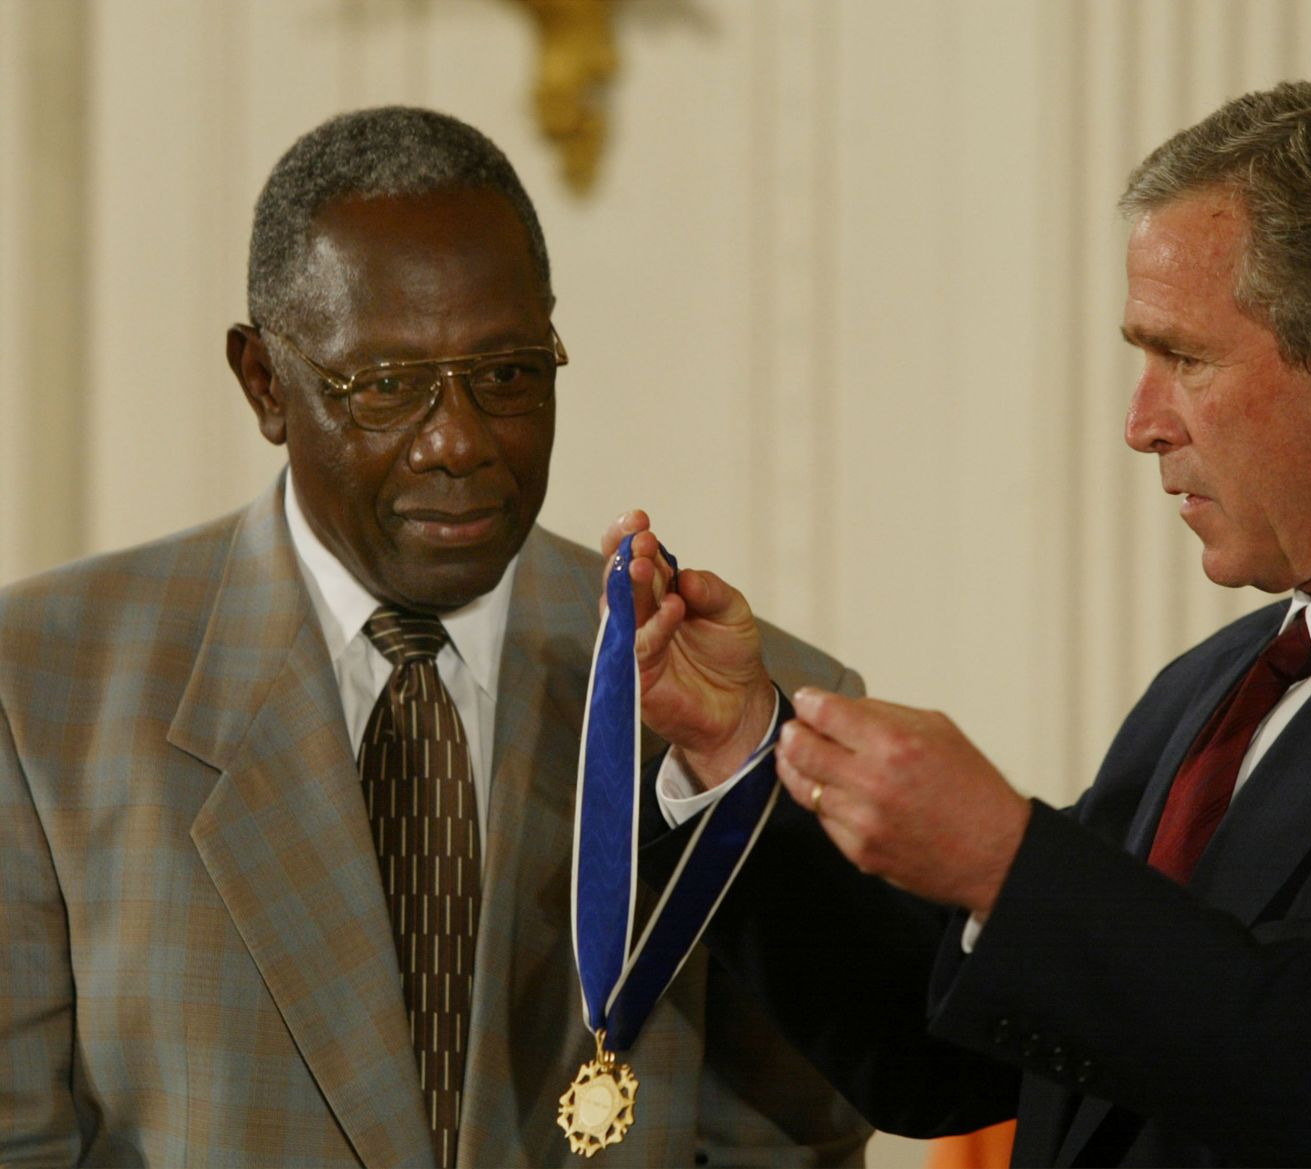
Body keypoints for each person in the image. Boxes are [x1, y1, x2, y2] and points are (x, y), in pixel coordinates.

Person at [613, 78, 1311, 1166]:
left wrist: (1013, 863)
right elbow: (948, 1056)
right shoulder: (1216, 686)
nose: (1140, 422)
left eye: (1186, 357)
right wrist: (742, 753)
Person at [0, 106, 871, 1167]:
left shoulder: (745, 710)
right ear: (264, 383)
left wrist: (742, 770)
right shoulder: (41, 687)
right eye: (386, 388)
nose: (458, 440)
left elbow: (793, 1141)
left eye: (505, 373)